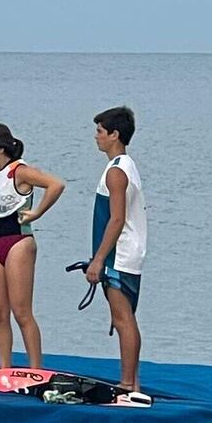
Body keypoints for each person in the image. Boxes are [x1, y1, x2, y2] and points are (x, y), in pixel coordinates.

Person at [0, 123, 65, 369]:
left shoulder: (20, 171)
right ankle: (4, 368)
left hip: (19, 241)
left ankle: (36, 368)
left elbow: (56, 185)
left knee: (21, 311)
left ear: (0, 148)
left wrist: (37, 213)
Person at [85, 106, 147, 390]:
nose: (96, 136)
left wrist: (98, 259)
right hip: (126, 253)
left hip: (118, 255)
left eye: (100, 131)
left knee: (123, 319)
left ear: (115, 134)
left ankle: (128, 383)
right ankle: (132, 380)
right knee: (123, 317)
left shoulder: (116, 173)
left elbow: (117, 218)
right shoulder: (125, 165)